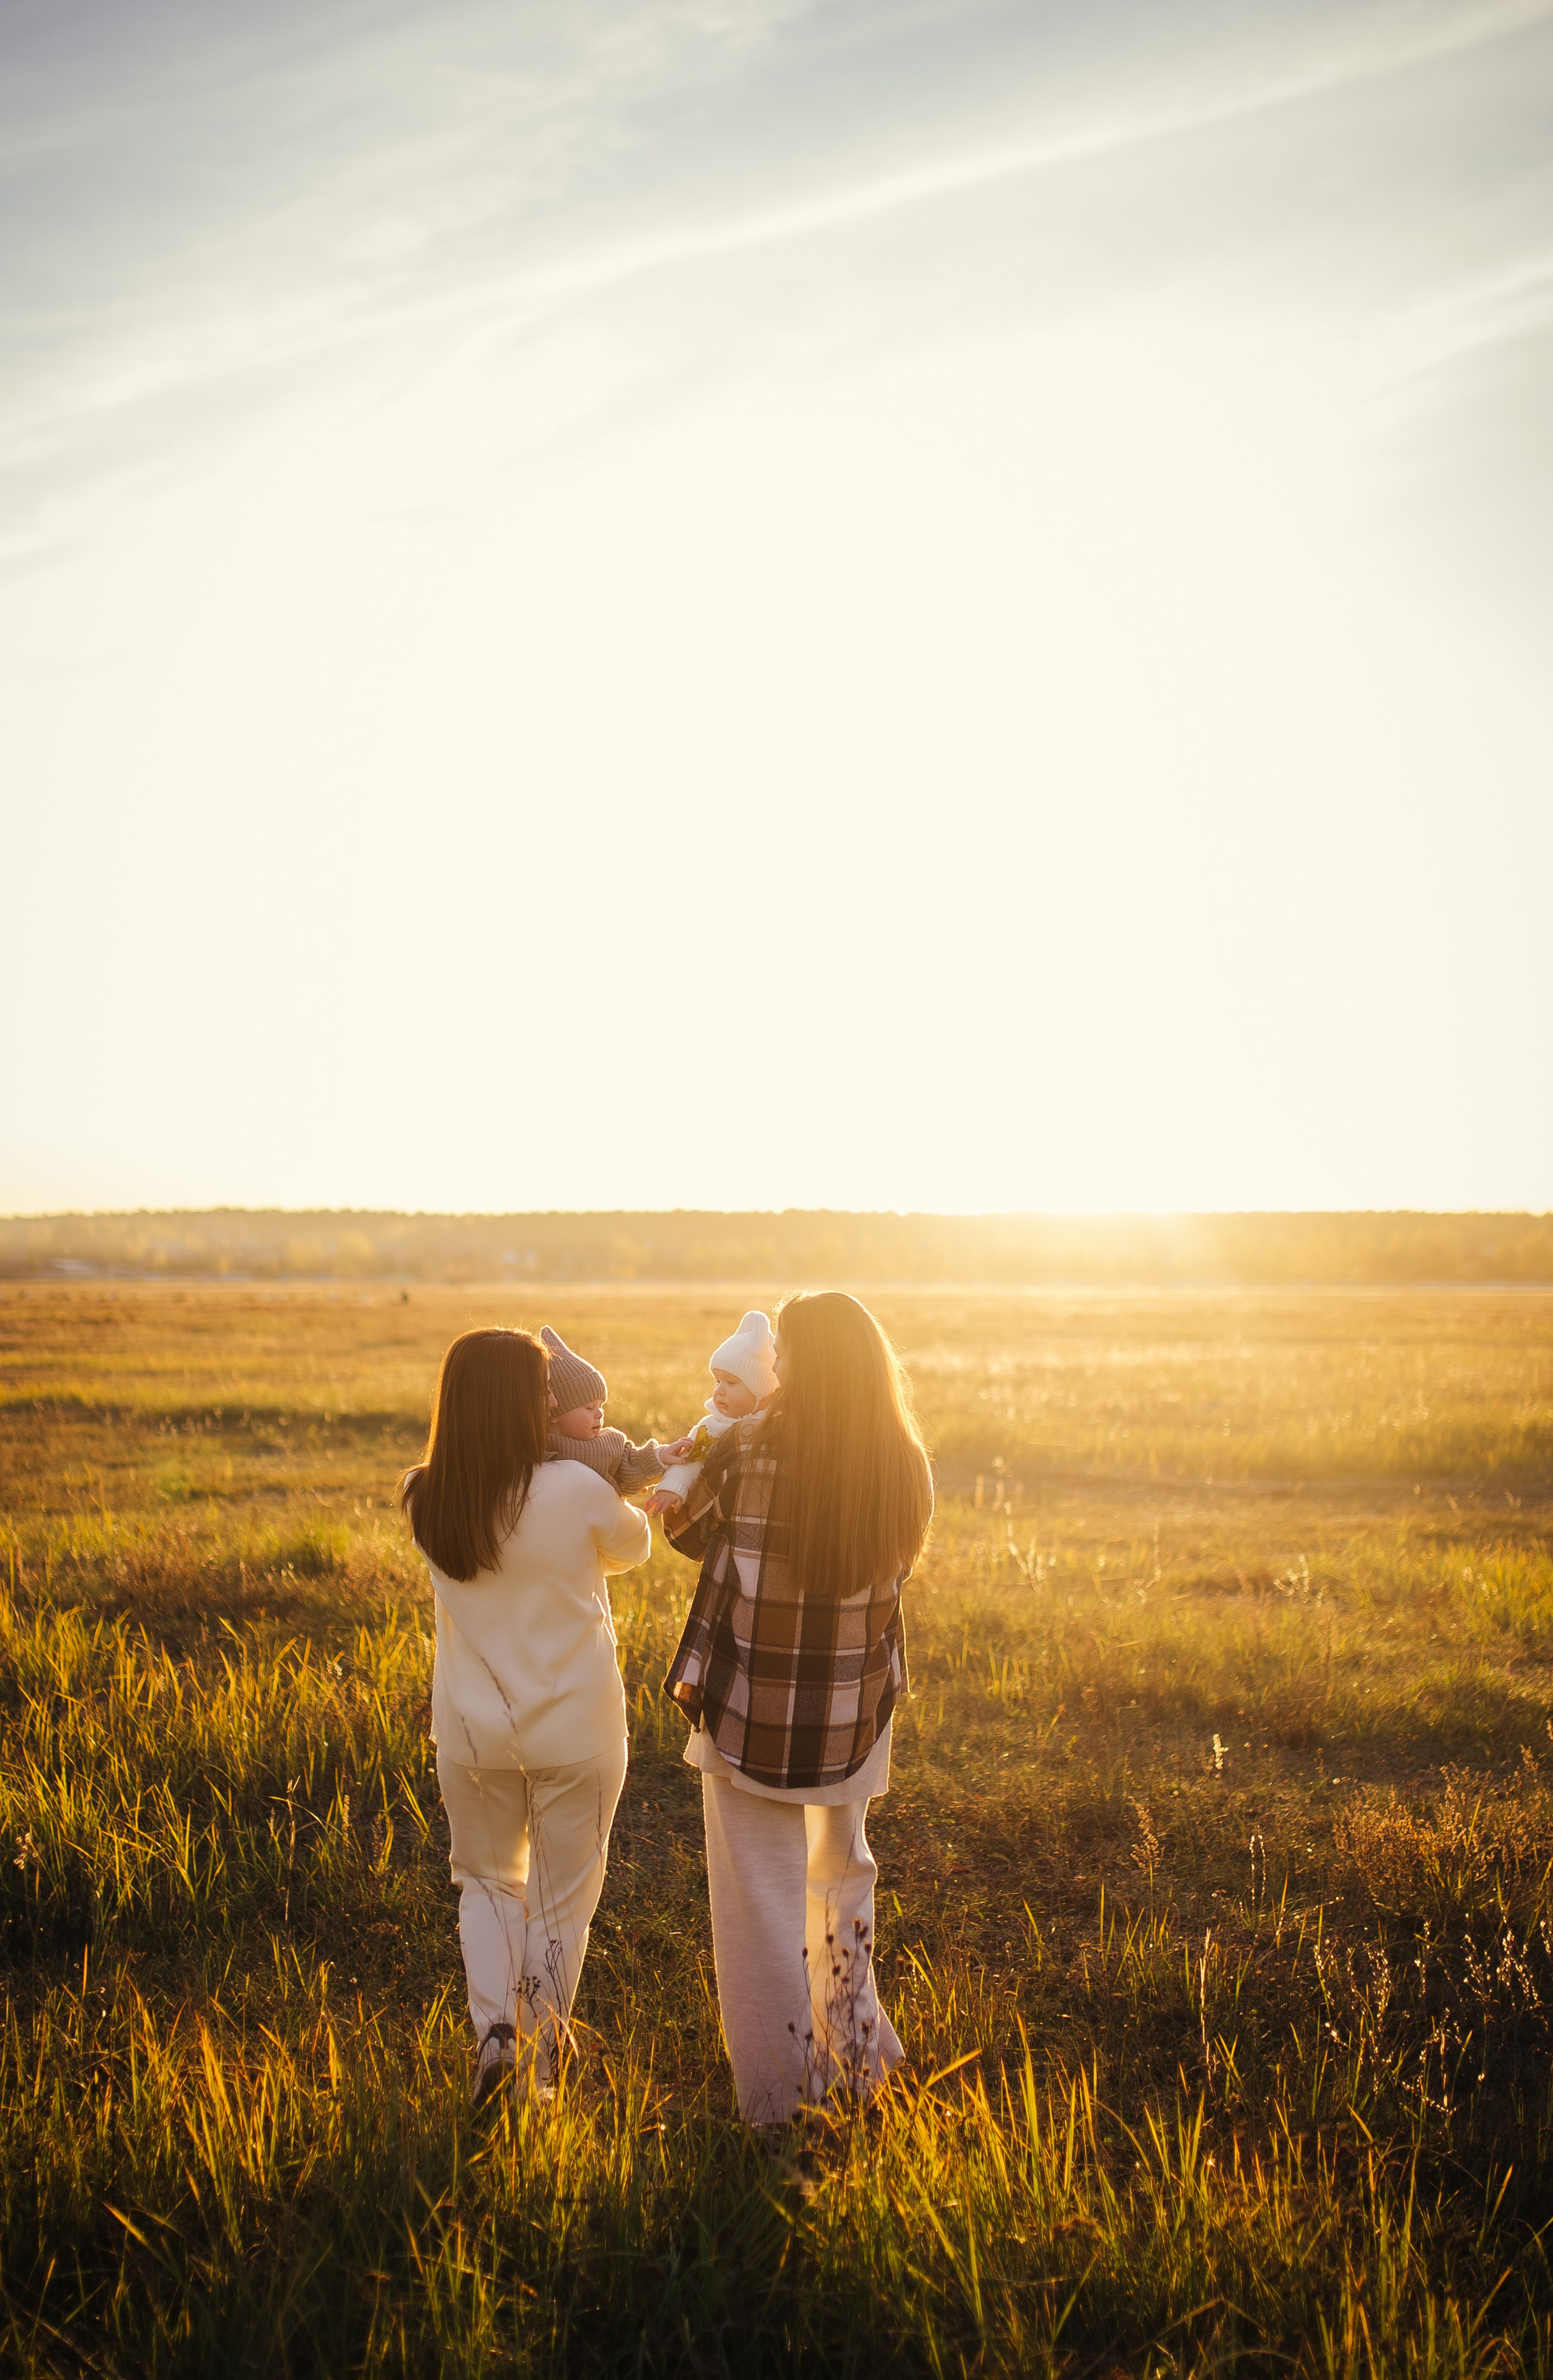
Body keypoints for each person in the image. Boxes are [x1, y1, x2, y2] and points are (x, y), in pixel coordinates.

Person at [659, 1292, 934, 2126]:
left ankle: (780, 2101)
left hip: (751, 1709)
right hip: (853, 1710)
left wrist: (712, 1423)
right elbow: (904, 1566)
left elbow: (683, 1529)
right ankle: (859, 2064)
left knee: (761, 1901)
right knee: (841, 1879)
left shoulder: (746, 1447)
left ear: (799, 1363)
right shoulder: (903, 1459)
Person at [399, 1326, 652, 2106]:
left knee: (483, 1885)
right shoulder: (578, 1493)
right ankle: (539, 2066)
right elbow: (635, 1544)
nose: (553, 1402)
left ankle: (494, 2042)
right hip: (576, 1727)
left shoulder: (424, 1493)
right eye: (543, 1391)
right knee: (560, 1902)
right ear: (515, 1401)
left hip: (471, 1732)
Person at [645, 1310, 780, 1516]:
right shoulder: (712, 1427)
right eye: (717, 1381)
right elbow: (691, 1459)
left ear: (761, 1390)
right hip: (723, 1512)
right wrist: (672, 1487)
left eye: (731, 1383)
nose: (720, 1391)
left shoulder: (775, 1422)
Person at [541, 1323, 669, 1494]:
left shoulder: (608, 1444)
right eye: (589, 1407)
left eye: (601, 1406)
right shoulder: (540, 1448)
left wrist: (661, 1457)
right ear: (554, 1411)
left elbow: (633, 1464)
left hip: (605, 1519)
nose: (599, 1413)